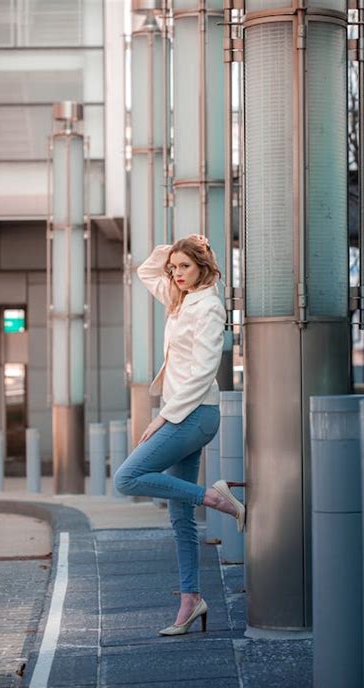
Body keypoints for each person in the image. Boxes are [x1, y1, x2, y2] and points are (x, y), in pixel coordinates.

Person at [114, 234, 246, 636]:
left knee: (126, 478)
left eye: (184, 267)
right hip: (182, 413)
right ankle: (191, 601)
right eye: (174, 268)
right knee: (179, 516)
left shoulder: (208, 307)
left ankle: (214, 497)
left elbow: (205, 370)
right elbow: (145, 269)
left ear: (203, 267)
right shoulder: (180, 297)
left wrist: (162, 418)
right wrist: (176, 246)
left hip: (194, 415)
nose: (175, 274)